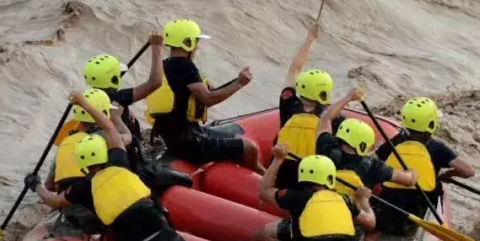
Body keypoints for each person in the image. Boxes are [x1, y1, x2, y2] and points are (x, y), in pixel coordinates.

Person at [28, 91, 193, 241]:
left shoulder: (82, 187)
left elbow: (52, 199)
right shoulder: (120, 161)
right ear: (105, 153)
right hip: (160, 231)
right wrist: (84, 102)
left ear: (82, 164)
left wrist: (34, 184)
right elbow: (109, 127)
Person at [244, 150, 375, 241]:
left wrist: (278, 159)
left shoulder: (296, 198)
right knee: (274, 233)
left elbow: (264, 191)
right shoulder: (345, 200)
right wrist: (364, 199)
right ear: (330, 178)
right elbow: (370, 222)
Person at [145, 18, 264, 173]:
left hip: (178, 136)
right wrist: (239, 83)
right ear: (188, 43)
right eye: (196, 42)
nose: (197, 47)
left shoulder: (166, 64)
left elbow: (200, 95)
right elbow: (208, 99)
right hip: (188, 142)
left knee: (233, 136)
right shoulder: (185, 67)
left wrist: (236, 81)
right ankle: (266, 182)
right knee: (250, 147)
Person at [313, 87, 418, 241]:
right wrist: (413, 171)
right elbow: (409, 180)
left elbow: (326, 117)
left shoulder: (325, 145)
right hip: (350, 231)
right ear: (363, 146)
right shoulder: (375, 167)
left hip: (318, 217)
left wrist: (348, 97)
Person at [374, 97, 475, 235]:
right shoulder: (437, 148)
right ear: (431, 124)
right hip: (414, 216)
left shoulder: (395, 142)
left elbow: (373, 160)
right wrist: (448, 174)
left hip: (385, 211)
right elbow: (468, 171)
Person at [43, 88, 132, 231]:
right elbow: (127, 137)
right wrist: (116, 118)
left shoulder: (65, 143)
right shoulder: (105, 137)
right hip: (101, 209)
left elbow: (49, 185)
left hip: (70, 211)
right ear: (104, 113)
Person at [272, 23, 344, 189]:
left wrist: (309, 39)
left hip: (283, 172)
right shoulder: (331, 117)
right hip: (312, 179)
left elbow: (294, 69)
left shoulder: (288, 102)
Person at [82, 30, 164, 170]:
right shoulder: (118, 99)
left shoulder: (86, 101)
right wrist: (156, 47)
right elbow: (155, 82)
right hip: (126, 160)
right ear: (113, 79)